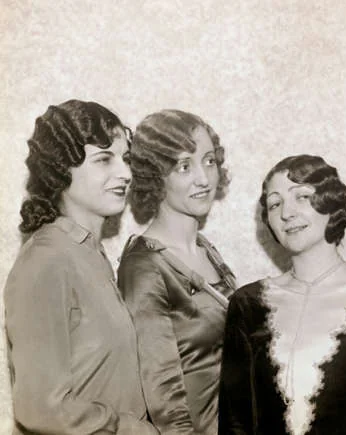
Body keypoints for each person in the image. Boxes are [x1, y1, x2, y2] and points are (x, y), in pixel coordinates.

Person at [219, 154, 346, 435]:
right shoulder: (247, 305)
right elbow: (234, 425)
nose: (286, 213)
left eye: (301, 197)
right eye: (275, 204)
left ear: (331, 203)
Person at [3, 100, 157, 434]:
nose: (125, 174)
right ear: (61, 170)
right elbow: (41, 408)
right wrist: (130, 429)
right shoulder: (47, 260)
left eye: (125, 158)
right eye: (104, 160)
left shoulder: (89, 254)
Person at [117, 109, 237, 434]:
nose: (203, 178)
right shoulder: (144, 265)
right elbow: (164, 397)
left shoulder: (206, 249)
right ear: (156, 176)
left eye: (209, 161)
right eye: (184, 166)